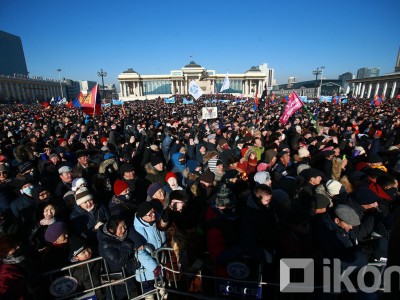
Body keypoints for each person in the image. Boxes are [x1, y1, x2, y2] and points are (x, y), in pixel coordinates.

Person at [97, 215, 144, 300]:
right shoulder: (105, 244)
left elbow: (130, 230)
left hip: (129, 274)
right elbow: (119, 261)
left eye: (124, 226)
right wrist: (128, 245)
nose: (124, 229)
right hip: (118, 280)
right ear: (112, 230)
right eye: (121, 228)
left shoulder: (123, 234)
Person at [133, 202, 167, 300]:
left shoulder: (156, 220)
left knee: (164, 294)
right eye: (150, 214)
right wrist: (154, 267)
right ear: (143, 216)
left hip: (160, 265)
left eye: (153, 212)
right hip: (147, 271)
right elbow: (139, 252)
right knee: (150, 296)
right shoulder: (138, 229)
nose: (153, 215)